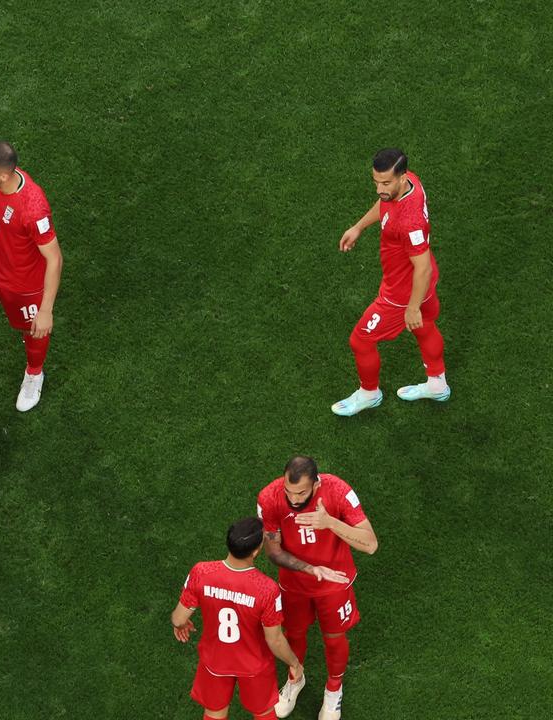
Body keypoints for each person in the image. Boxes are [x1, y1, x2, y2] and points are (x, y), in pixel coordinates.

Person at [256, 456, 378, 720]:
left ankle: (334, 690)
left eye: (301, 493)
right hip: (294, 582)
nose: (294, 499)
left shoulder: (338, 491)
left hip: (334, 581)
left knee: (334, 637)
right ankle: (295, 677)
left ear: (317, 484)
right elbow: (273, 552)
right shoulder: (269, 497)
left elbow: (370, 545)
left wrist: (330, 523)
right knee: (294, 633)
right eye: (289, 490)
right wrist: (309, 569)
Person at [332, 147, 448, 416]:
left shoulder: (411, 222)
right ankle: (437, 384)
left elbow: (420, 268)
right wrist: (359, 226)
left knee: (360, 341)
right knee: (425, 326)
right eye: (376, 182)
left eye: (385, 183)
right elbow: (386, 202)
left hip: (402, 293)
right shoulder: (409, 183)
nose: (379, 189)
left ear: (401, 176)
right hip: (424, 283)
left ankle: (369, 394)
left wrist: (412, 307)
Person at [0, 141, 63, 412]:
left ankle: (34, 373)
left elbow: (54, 258)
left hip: (22, 282)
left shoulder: (33, 207)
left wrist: (46, 310)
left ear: (4, 175)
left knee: (35, 330)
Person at [171, 517, 304, 720]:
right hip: (254, 666)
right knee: (263, 713)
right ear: (255, 551)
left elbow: (179, 618)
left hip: (215, 661)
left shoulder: (201, 572)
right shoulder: (267, 589)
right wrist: (294, 663)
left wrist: (180, 624)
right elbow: (275, 640)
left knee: (215, 713)